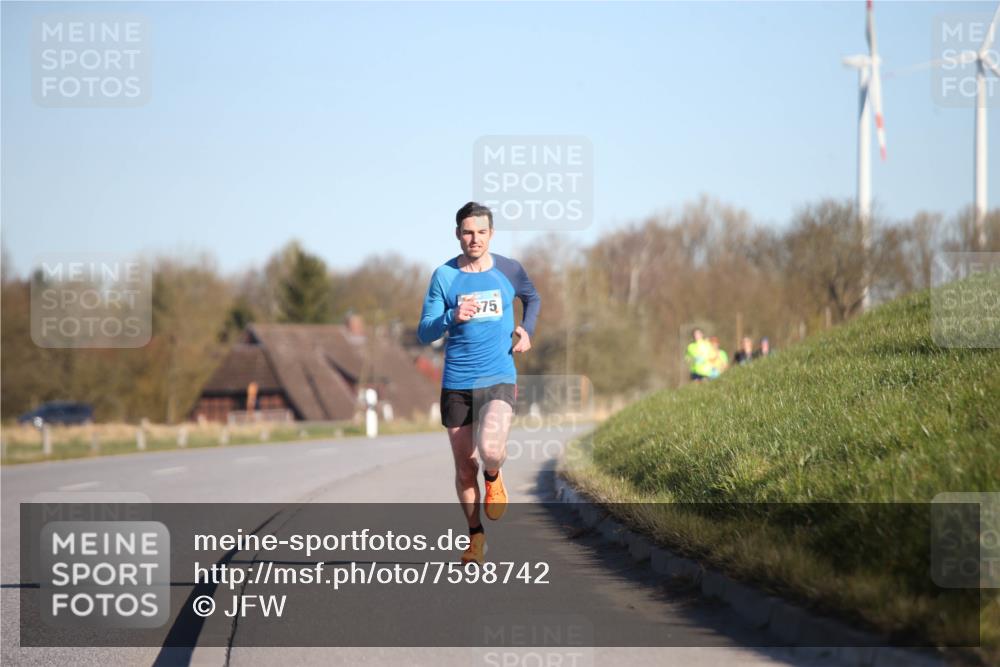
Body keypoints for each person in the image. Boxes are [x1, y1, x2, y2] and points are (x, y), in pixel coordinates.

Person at [417, 202, 541, 565]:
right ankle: (475, 537)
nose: (475, 239)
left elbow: (532, 298)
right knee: (462, 465)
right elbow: (424, 331)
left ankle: (495, 474)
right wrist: (450, 316)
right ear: (458, 234)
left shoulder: (509, 269)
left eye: (481, 232)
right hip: (457, 380)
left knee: (489, 448)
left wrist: (526, 330)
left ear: (491, 234)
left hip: (499, 374)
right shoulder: (444, 276)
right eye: (468, 232)